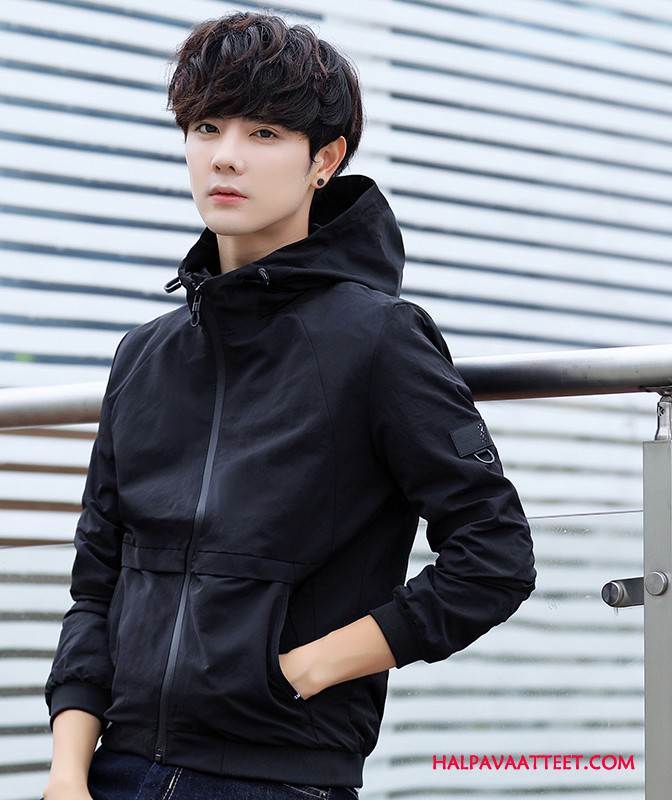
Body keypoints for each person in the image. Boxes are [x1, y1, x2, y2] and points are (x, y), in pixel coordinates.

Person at [41, 10, 537, 800]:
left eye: (265, 133)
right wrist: (67, 771)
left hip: (279, 776)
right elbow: (97, 583)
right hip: (114, 771)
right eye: (207, 127)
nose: (225, 156)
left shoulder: (377, 340)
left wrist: (305, 669)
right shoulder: (144, 356)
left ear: (324, 160)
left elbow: (494, 556)